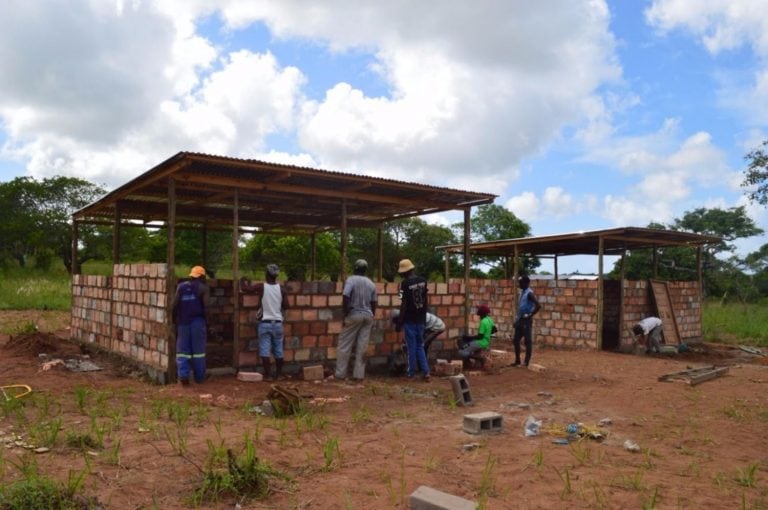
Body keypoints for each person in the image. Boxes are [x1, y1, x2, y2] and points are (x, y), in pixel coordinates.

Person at [241, 264, 289, 380]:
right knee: (278, 350)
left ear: (266, 274)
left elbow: (246, 289)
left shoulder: (262, 287)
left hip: (265, 323)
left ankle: (268, 375)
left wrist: (243, 280)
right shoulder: (281, 289)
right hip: (277, 323)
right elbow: (287, 306)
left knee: (264, 349)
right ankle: (278, 374)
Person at [335, 259, 378, 381]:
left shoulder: (351, 280)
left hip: (354, 314)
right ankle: (359, 375)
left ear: (355, 268)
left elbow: (346, 296)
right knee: (362, 347)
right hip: (368, 316)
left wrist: (345, 314)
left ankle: (340, 374)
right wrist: (372, 316)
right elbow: (374, 302)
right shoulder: (371, 283)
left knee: (344, 345)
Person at [171, 265, 211, 385]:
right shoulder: (203, 288)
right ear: (202, 277)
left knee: (183, 351)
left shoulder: (181, 287)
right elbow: (206, 307)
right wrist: (208, 322)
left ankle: (183, 376)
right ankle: (199, 377)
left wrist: (174, 320)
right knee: (198, 352)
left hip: (183, 323)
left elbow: (174, 305)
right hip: (197, 322)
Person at [394, 258, 431, 381]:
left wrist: (399, 322)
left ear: (404, 272)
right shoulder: (423, 281)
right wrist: (424, 318)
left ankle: (410, 373)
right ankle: (426, 372)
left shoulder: (404, 284)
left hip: (409, 320)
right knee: (420, 346)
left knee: (411, 348)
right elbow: (426, 301)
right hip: (421, 319)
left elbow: (403, 303)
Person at [389, 309, 445, 375]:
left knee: (422, 346)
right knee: (421, 347)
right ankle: (422, 368)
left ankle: (424, 370)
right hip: (428, 327)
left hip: (437, 327)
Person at [513, 275, 541, 367]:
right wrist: (517, 320)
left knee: (527, 341)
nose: (519, 284)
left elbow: (538, 305)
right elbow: (520, 308)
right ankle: (517, 360)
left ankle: (526, 362)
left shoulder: (529, 293)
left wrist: (530, 314)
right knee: (516, 340)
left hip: (526, 320)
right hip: (520, 319)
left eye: (521, 283)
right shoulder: (522, 292)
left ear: (526, 283)